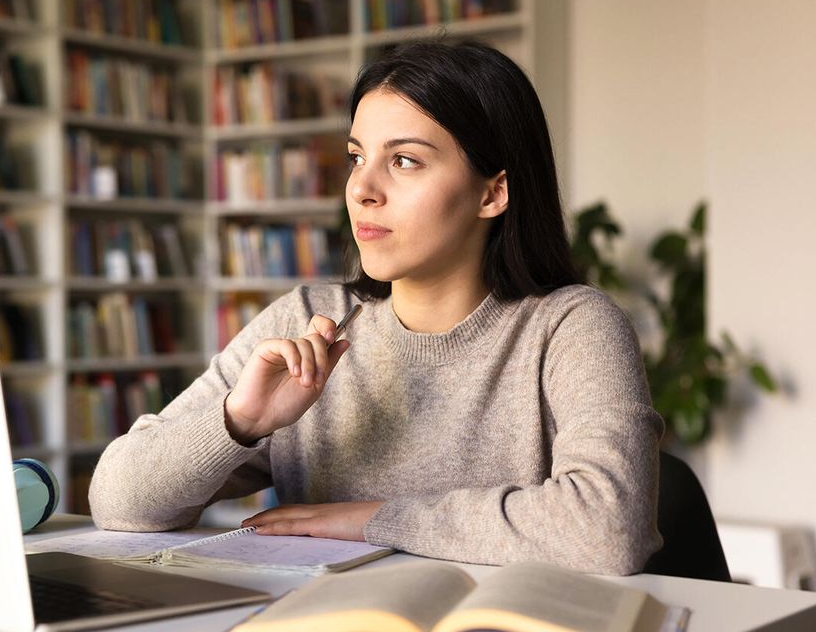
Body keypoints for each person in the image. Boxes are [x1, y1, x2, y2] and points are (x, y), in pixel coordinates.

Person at [89, 38, 663, 574]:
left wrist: (371, 520)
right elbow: (117, 501)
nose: (363, 188)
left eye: (405, 160)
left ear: (493, 193)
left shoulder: (570, 326)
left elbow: (608, 530)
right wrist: (239, 423)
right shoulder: (307, 320)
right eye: (356, 156)